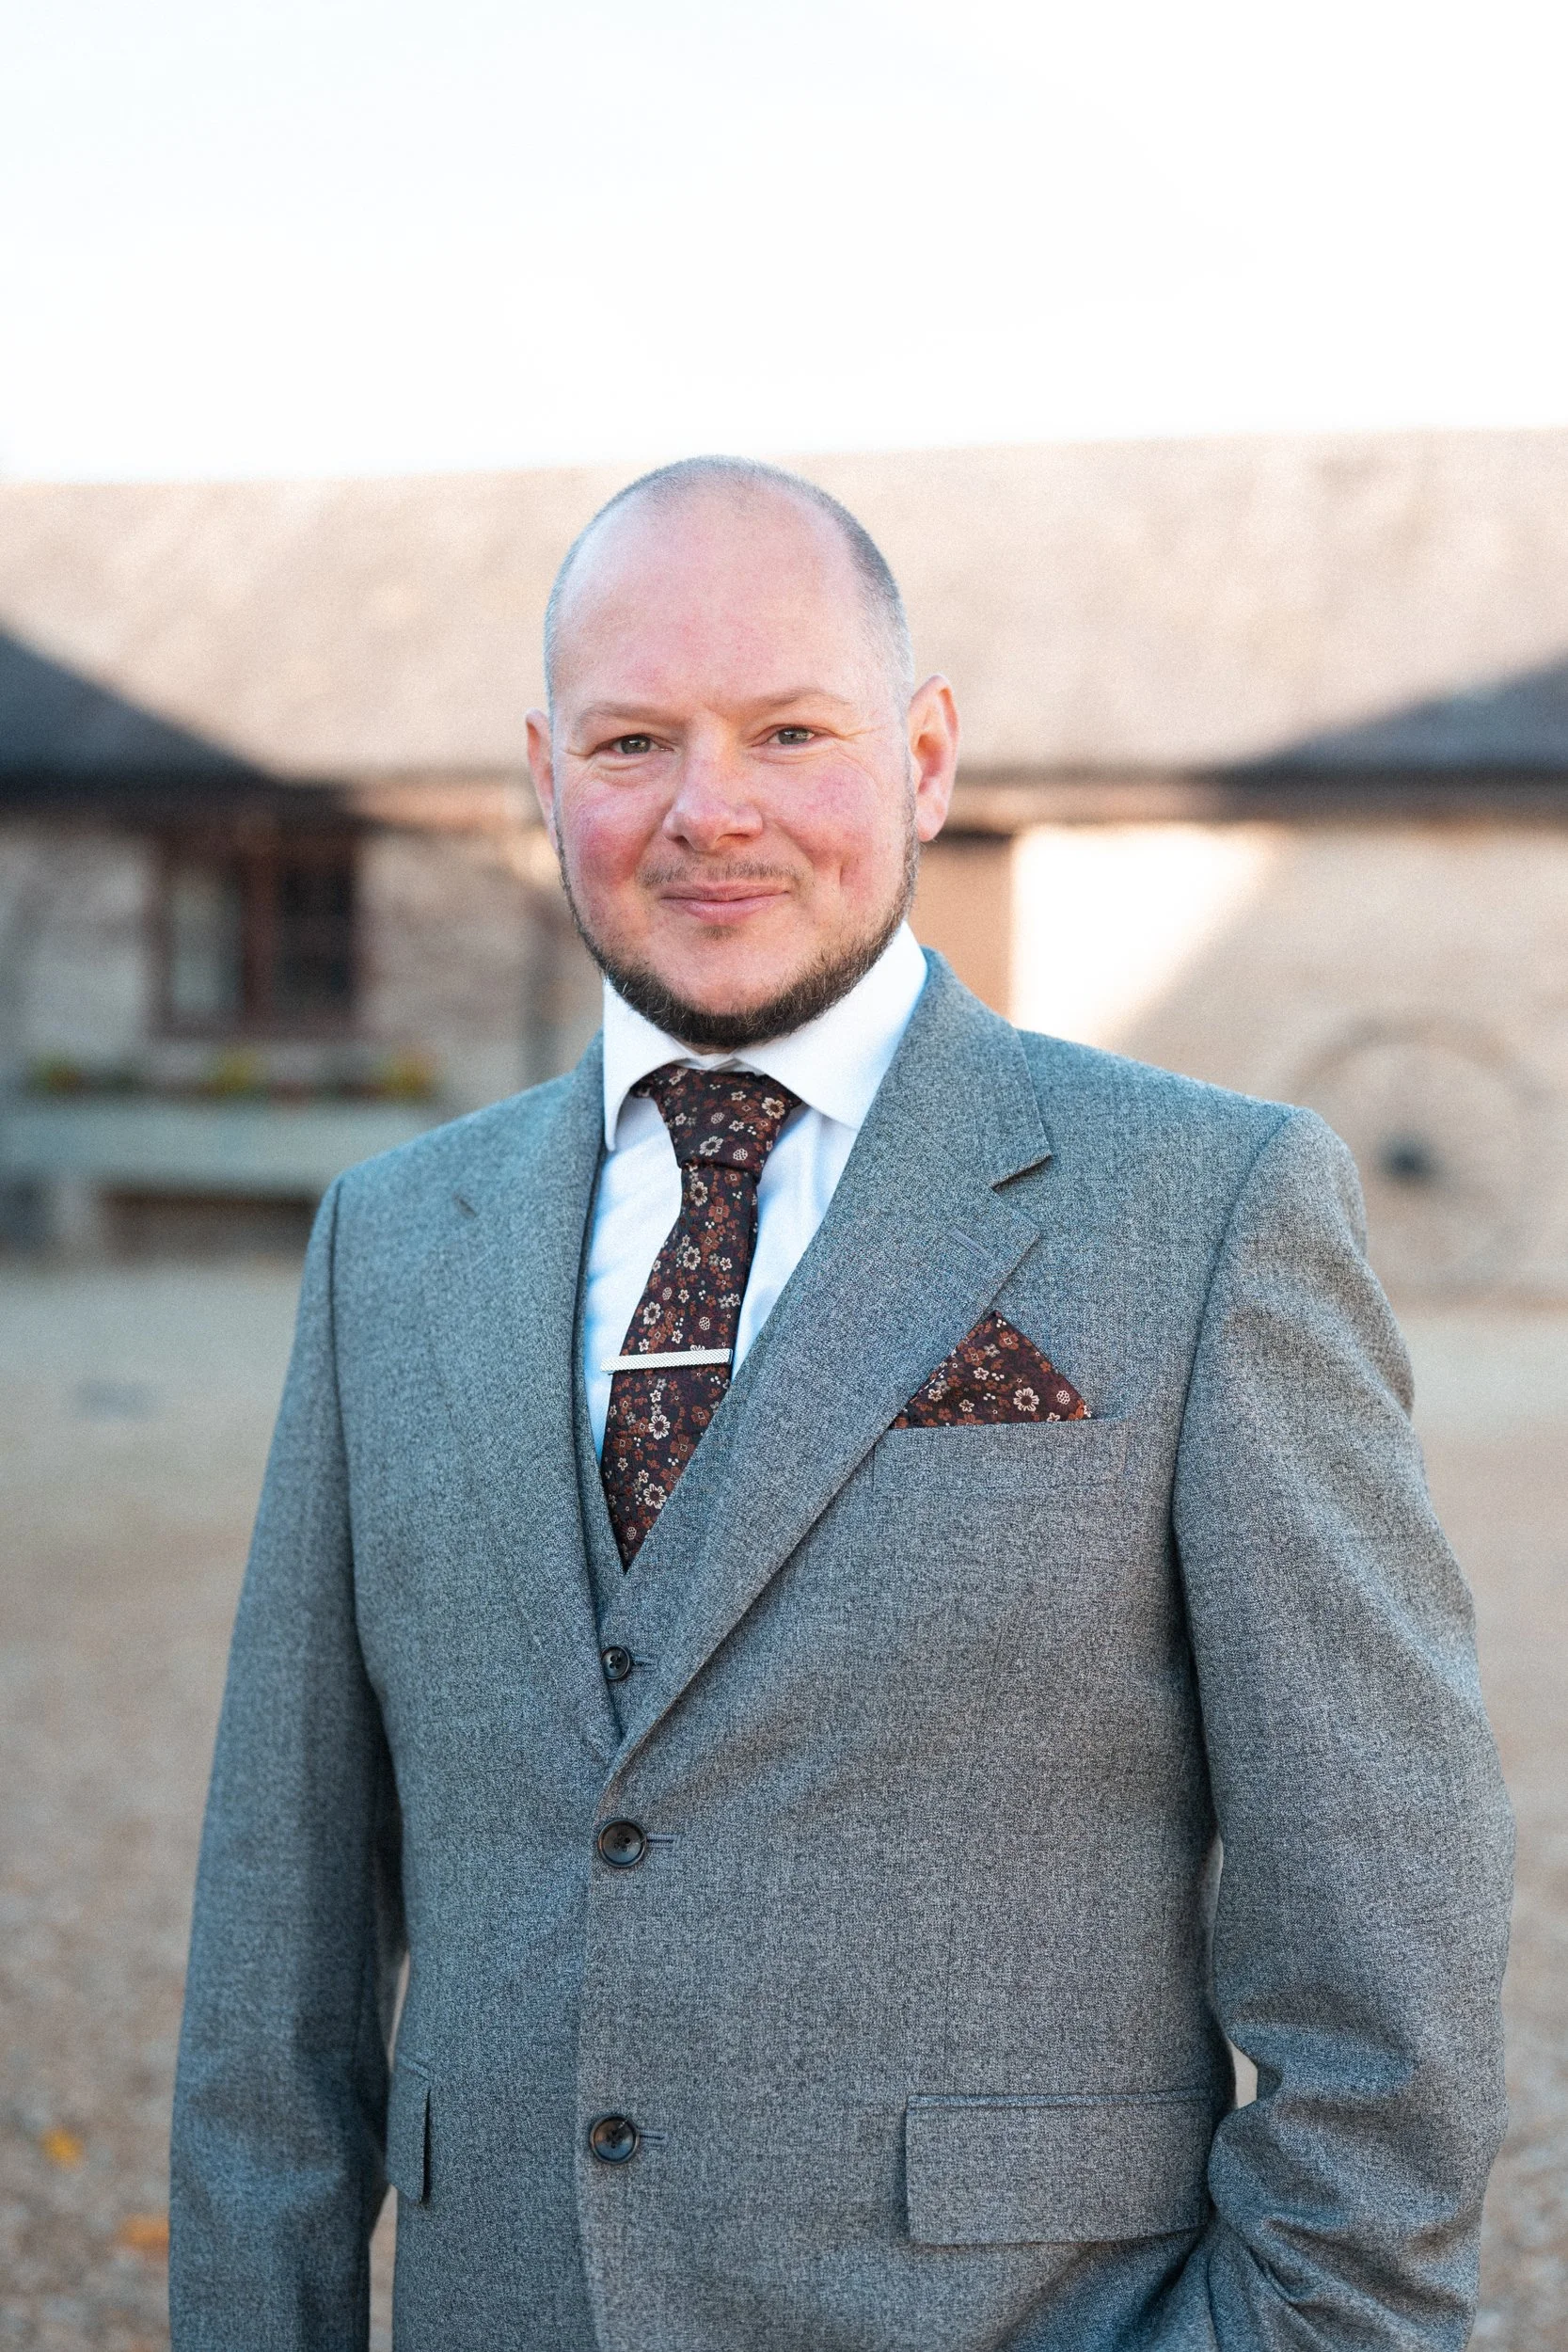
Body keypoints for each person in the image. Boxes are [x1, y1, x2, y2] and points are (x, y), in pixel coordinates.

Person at [169, 457, 1513, 2351]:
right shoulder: (390, 1242)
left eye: (789, 730)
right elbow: (275, 1966)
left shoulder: (1207, 1207)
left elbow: (1382, 1906)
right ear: (546, 777)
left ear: (923, 757)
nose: (708, 809)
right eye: (632, 740)